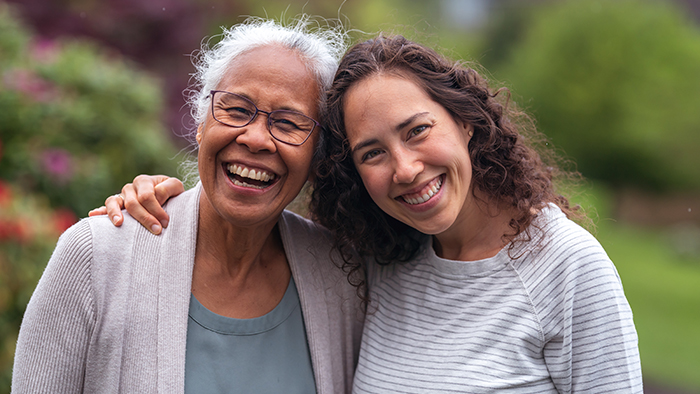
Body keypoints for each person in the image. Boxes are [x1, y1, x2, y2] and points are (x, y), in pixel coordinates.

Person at [95, 35, 643, 393]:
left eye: (417, 131)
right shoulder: (380, 260)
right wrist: (160, 195)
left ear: (467, 122)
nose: (404, 169)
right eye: (372, 153)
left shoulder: (566, 268)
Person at [12, 17, 363, 394]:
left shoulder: (343, 277)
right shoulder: (96, 257)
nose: (256, 138)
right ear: (200, 123)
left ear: (317, 156)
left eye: (289, 123)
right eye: (237, 110)